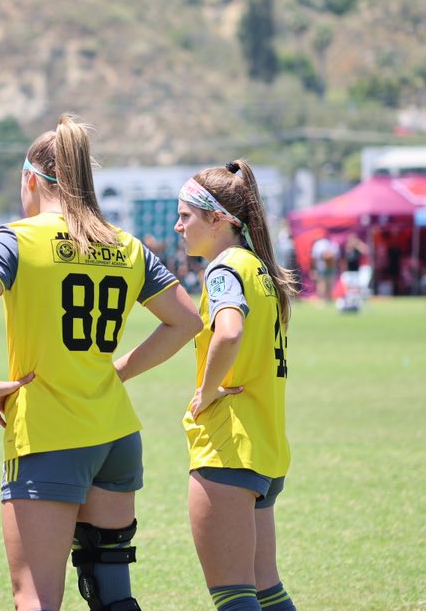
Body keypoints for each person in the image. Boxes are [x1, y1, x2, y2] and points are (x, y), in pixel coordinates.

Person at [0, 115, 202, 611]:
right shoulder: (124, 244)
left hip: (47, 435)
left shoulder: (14, 239)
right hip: (116, 437)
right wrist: (119, 369)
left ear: (30, 179)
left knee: (37, 598)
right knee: (111, 592)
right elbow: (187, 321)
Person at [174, 160, 300, 611]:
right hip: (265, 449)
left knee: (234, 596)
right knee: (267, 590)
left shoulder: (225, 268)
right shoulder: (260, 269)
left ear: (218, 219)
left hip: (229, 447)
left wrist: (206, 391)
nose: (177, 226)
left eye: (186, 216)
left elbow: (229, 332)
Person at [309, 234, 337, 303]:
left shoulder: (317, 245)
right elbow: (334, 255)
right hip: (330, 265)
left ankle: (321, 299)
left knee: (321, 282)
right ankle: (329, 298)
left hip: (321, 265)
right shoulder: (328, 242)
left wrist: (313, 268)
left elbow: (314, 258)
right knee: (329, 281)